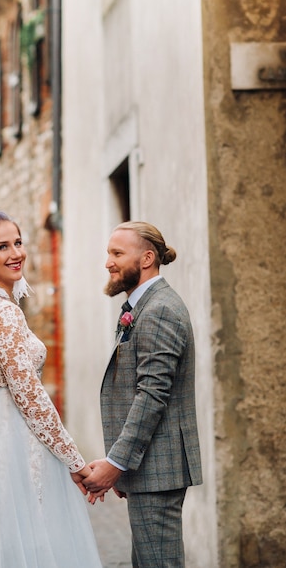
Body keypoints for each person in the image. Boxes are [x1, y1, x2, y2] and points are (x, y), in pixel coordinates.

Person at [0, 209, 102, 568]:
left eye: (18, 242)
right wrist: (73, 460)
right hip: (18, 441)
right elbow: (28, 393)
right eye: (2, 247)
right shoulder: (4, 313)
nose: (16, 253)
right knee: (33, 538)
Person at [84, 221, 203, 568]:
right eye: (109, 253)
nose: (108, 262)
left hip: (158, 469)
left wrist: (116, 463)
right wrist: (123, 470)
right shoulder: (142, 307)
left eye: (117, 253)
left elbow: (151, 395)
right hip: (148, 469)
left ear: (147, 257)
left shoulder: (160, 309)